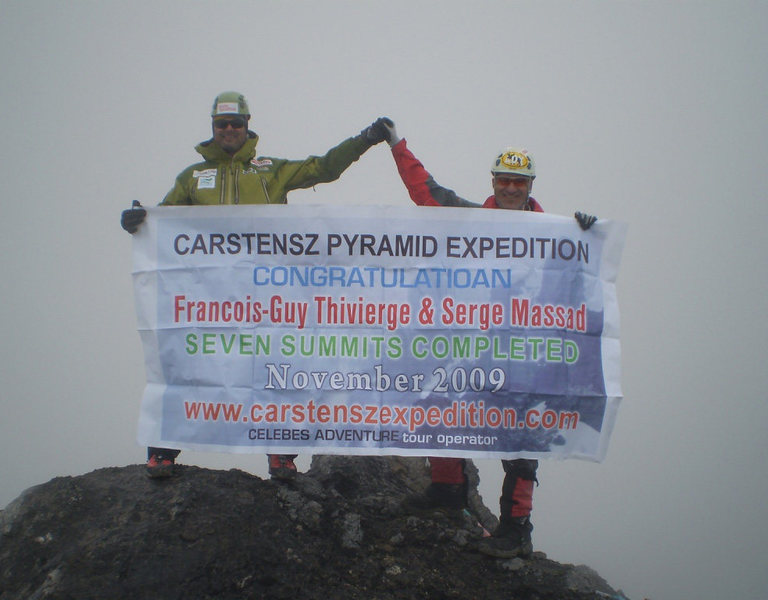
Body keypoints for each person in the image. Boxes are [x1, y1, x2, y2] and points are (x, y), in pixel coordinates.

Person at [121, 91, 389, 480]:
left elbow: (324, 168)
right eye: (221, 124)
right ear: (212, 128)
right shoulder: (192, 177)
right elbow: (165, 225)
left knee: (276, 366)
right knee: (190, 362)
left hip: (268, 295)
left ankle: (281, 453)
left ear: (248, 126)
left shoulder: (271, 169)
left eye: (236, 123)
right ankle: (162, 450)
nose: (229, 130)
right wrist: (140, 222)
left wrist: (365, 138)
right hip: (210, 297)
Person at [377, 118, 596, 559]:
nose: (511, 188)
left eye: (519, 181)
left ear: (530, 184)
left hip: (523, 353)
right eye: (503, 180)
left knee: (521, 435)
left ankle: (516, 529)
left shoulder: (556, 233)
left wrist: (588, 233)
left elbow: (583, 280)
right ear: (492, 181)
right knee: (441, 406)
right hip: (469, 345)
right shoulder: (470, 219)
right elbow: (426, 190)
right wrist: (397, 144)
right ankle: (446, 491)